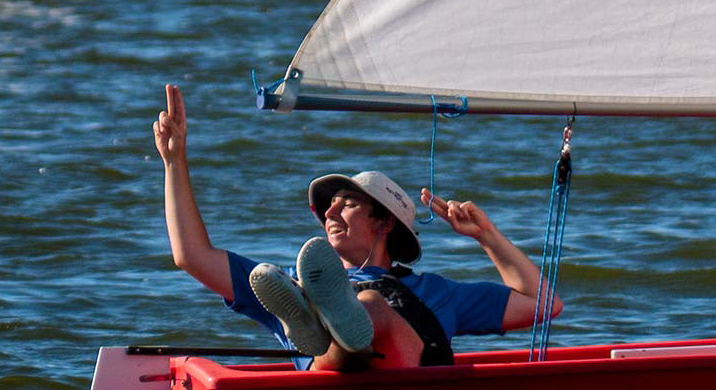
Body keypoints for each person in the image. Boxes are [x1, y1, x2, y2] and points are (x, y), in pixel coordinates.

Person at [152, 84, 563, 370]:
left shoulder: (437, 292)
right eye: (327, 208)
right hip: (330, 386)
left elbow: (545, 304)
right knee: (289, 289)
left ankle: (328, 325)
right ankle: (322, 330)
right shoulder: (291, 287)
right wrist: (175, 164)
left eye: (347, 205)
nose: (330, 214)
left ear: (384, 223)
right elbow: (192, 256)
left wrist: (486, 237)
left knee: (373, 307)